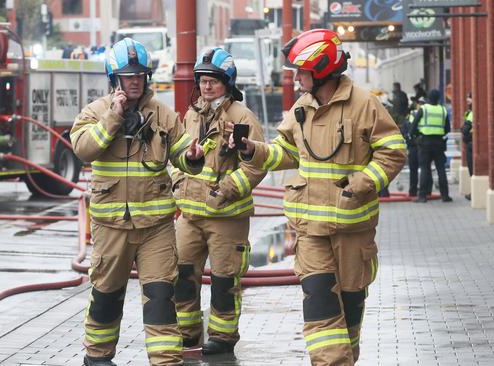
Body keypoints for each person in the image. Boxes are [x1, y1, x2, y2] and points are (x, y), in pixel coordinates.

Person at [229, 29, 406, 365]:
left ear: (322, 68)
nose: (297, 79)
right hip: (310, 229)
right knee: (320, 300)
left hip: (353, 230)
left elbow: (393, 151)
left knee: (350, 308)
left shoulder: (365, 105)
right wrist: (252, 149)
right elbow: (284, 152)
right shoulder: (301, 108)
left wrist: (365, 182)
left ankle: (343, 357)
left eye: (301, 71)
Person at [70, 37, 204, 366]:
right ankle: (98, 358)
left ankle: (166, 361)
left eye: (139, 75)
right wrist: (114, 118)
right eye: (127, 75)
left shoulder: (163, 115)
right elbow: (84, 149)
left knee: (161, 297)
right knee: (106, 294)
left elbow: (183, 155)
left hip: (156, 228)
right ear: (114, 78)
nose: (134, 80)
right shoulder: (95, 113)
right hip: (110, 226)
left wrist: (193, 157)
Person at [171, 47, 266, 355]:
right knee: (182, 277)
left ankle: (223, 339)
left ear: (228, 82)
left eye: (214, 80)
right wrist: (177, 181)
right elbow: (177, 154)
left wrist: (226, 189)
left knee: (225, 281)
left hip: (227, 217)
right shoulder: (191, 114)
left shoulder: (242, 117)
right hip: (189, 215)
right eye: (202, 80)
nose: (207, 86)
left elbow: (256, 164)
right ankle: (187, 334)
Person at [411, 88, 452, 203]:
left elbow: (413, 126)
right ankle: (445, 196)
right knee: (441, 169)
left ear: (428, 98)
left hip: (425, 142)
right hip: (439, 142)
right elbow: (447, 128)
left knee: (425, 168)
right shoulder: (443, 110)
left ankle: (422, 196)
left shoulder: (424, 109)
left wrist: (415, 136)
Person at [401, 97, 426, 197]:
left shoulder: (413, 114)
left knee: (417, 169)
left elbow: (405, 130)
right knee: (422, 169)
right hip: (419, 145)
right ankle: (419, 191)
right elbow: (404, 129)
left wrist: (408, 137)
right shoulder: (414, 114)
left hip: (417, 145)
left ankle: (415, 191)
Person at [461, 92, 473, 200]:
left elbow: (465, 129)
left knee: (473, 169)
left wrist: (463, 129)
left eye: (469, 97)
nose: (467, 99)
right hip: (470, 143)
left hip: (472, 144)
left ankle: (473, 193)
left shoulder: (472, 113)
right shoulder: (470, 112)